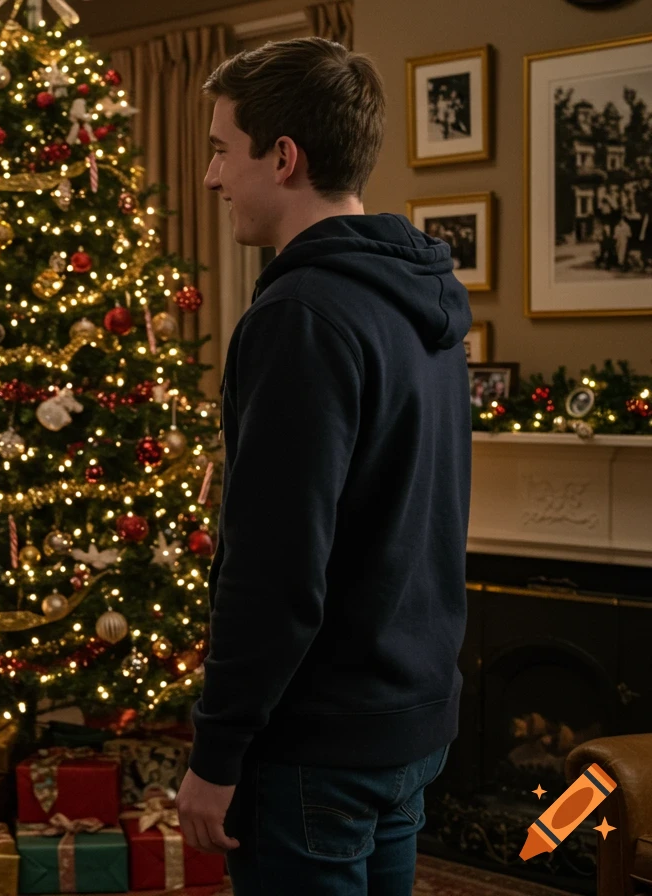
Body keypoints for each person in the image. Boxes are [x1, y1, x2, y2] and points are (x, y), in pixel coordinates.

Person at [177, 37, 471, 896]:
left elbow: (276, 567)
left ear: (285, 157)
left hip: (318, 746)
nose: (210, 177)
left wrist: (217, 754)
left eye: (222, 149)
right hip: (408, 727)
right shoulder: (426, 302)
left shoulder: (301, 315)